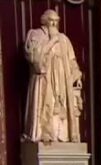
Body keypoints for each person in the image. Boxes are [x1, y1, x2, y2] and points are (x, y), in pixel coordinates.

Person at [23, 9, 83, 144]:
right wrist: (51, 42)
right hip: (44, 79)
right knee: (45, 106)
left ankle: (62, 134)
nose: (54, 24)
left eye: (56, 21)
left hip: (62, 79)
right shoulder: (35, 35)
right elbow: (35, 58)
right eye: (51, 21)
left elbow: (72, 61)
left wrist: (77, 76)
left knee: (61, 104)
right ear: (44, 21)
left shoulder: (64, 39)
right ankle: (44, 133)